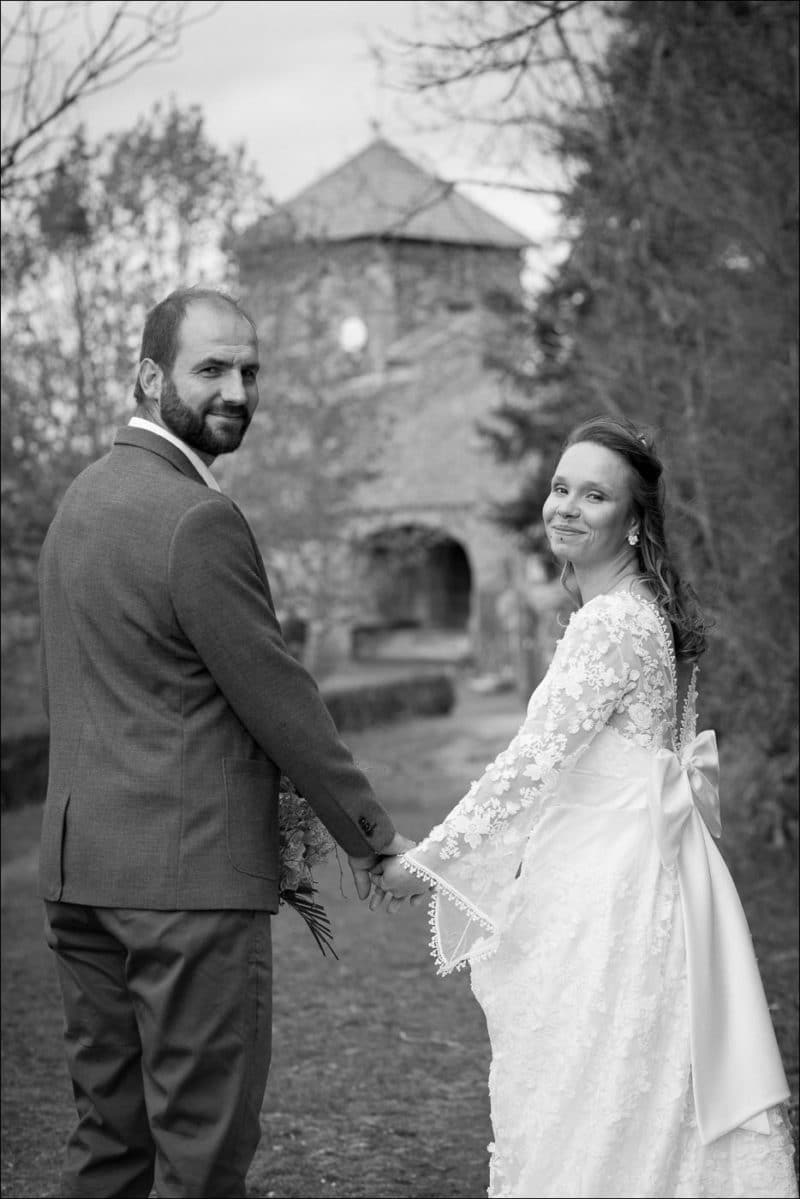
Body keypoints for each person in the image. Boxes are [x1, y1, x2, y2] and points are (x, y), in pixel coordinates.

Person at [37, 286, 414, 1199]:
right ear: (147, 375)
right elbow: (278, 696)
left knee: (111, 1148)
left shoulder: (78, 503)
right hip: (187, 892)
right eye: (211, 369)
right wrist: (373, 837)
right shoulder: (196, 517)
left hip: (78, 876)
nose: (237, 390)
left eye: (249, 370)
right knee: (201, 1159)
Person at [375, 416, 799, 1197]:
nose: (565, 505)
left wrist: (427, 861)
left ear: (633, 521)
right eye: (561, 486)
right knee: (649, 1085)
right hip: (654, 872)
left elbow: (528, 767)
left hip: (614, 889)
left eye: (594, 494)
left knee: (599, 1090)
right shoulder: (644, 610)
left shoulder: (609, 623)